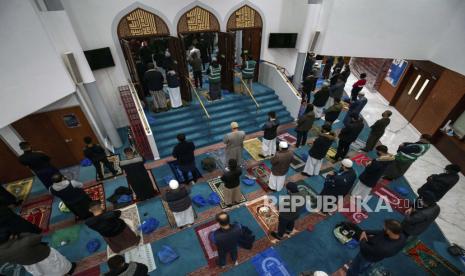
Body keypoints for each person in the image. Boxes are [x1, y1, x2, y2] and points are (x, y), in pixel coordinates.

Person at [0, 230, 75, 276]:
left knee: (44, 272)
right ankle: (69, 269)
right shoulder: (25, 242)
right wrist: (21, 235)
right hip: (44, 255)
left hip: (29, 264)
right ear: (11, 237)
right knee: (58, 265)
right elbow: (38, 237)